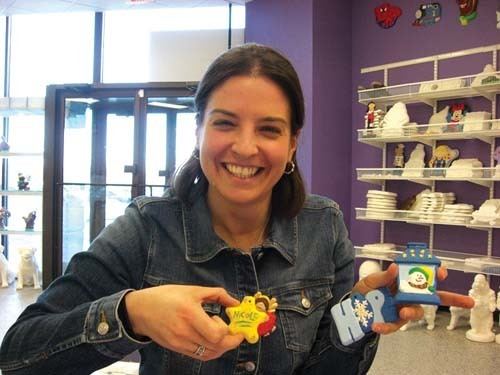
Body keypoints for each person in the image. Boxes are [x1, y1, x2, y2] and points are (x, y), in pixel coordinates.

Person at [0, 43, 473, 375]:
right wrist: (132, 314)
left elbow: (325, 367)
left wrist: (363, 315)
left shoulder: (323, 226)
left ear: (292, 145)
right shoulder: (146, 230)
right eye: (225, 123)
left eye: (269, 130)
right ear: (199, 130)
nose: (245, 147)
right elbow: (18, 354)